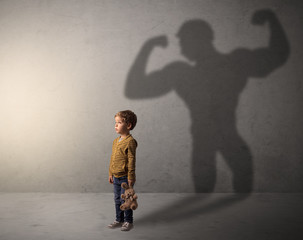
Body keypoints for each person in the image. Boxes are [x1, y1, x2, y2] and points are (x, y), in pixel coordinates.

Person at [125, 9, 289, 193]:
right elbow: (134, 89)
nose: (181, 47)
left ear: (199, 40)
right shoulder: (195, 71)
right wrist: (148, 46)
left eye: (184, 41)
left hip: (212, 138)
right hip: (216, 139)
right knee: (220, 192)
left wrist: (149, 47)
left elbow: (277, 55)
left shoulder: (212, 67)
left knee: (228, 192)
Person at [107, 110, 138, 231]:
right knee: (116, 199)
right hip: (115, 176)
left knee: (126, 199)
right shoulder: (115, 141)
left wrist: (131, 176)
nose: (116, 125)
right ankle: (118, 219)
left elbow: (131, 160)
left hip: (125, 177)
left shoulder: (130, 141)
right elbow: (112, 158)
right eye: (115, 123)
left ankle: (128, 221)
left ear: (128, 125)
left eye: (119, 123)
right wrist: (110, 173)